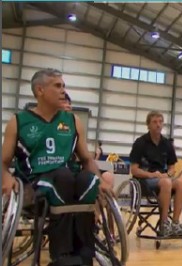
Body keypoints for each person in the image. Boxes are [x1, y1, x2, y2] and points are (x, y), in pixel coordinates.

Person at [1, 68, 112, 265]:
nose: (63, 90)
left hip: (66, 179)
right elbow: (3, 161)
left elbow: (86, 159)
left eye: (63, 86)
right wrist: (7, 178)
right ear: (40, 90)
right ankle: (62, 254)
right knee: (62, 177)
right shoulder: (18, 121)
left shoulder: (73, 121)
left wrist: (101, 180)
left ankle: (84, 253)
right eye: (57, 86)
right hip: (32, 184)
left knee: (88, 179)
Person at [129, 111, 182, 236]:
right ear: (148, 125)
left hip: (162, 178)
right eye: (155, 122)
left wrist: (169, 174)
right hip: (144, 181)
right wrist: (152, 175)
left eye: (160, 122)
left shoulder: (167, 144)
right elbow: (134, 170)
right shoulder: (140, 143)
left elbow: (172, 168)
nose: (158, 125)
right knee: (166, 183)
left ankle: (175, 223)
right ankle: (164, 223)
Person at [62, 92, 114, 188]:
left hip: (74, 167)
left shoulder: (74, 124)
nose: (68, 106)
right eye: (64, 103)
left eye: (69, 104)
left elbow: (86, 159)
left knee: (107, 177)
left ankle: (104, 201)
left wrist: (102, 182)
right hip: (60, 171)